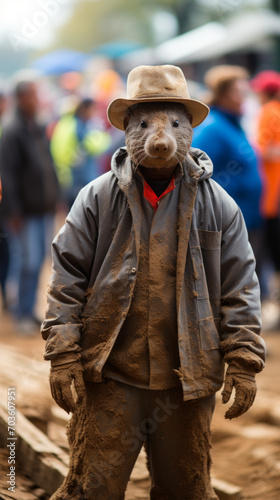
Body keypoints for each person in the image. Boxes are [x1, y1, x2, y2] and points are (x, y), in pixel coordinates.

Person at [42, 65, 265, 499]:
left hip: (187, 381)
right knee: (94, 487)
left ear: (190, 131)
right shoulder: (97, 199)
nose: (160, 137)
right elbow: (66, 273)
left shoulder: (218, 206)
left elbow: (240, 284)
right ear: (128, 129)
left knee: (186, 488)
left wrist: (243, 358)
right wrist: (63, 351)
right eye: (145, 124)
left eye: (174, 124)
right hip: (111, 375)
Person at [192, 65, 263, 280]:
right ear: (221, 95)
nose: (243, 98)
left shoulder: (233, 123)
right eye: (237, 92)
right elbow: (195, 171)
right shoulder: (213, 128)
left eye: (244, 92)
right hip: (229, 223)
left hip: (249, 217)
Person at [0, 79, 59, 332]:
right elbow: (8, 175)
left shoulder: (35, 125)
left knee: (39, 261)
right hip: (23, 212)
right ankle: (21, 313)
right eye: (34, 96)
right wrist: (13, 211)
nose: (38, 100)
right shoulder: (12, 130)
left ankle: (28, 310)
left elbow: (47, 165)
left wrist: (54, 197)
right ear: (22, 98)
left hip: (41, 208)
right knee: (27, 262)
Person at [50, 97, 111, 208]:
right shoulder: (79, 126)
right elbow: (91, 146)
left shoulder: (67, 123)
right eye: (92, 109)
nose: (93, 113)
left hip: (67, 174)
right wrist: (103, 138)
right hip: (78, 175)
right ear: (85, 109)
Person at [251, 71, 280, 290]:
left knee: (273, 246)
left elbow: (264, 149)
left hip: (271, 191)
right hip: (273, 188)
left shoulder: (268, 112)